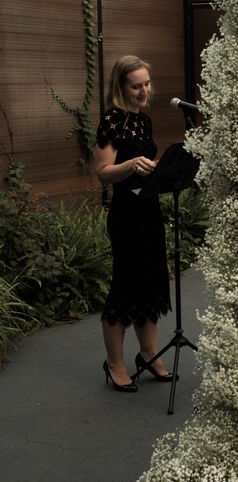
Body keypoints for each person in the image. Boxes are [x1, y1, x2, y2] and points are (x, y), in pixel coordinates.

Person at [95, 56, 173, 392]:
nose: (144, 91)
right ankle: (114, 363)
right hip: (126, 214)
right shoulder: (113, 120)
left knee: (151, 279)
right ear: (121, 86)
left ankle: (148, 353)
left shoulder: (144, 121)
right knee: (126, 285)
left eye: (147, 84)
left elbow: (142, 163)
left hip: (149, 211)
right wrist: (130, 165)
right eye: (136, 85)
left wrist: (156, 168)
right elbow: (102, 171)